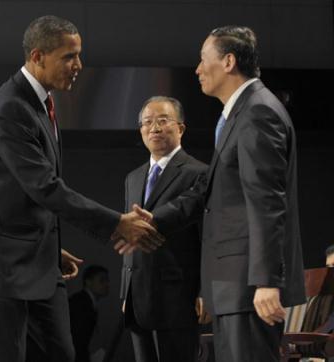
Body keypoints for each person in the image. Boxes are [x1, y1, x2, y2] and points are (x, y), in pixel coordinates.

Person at [0, 15, 162, 362]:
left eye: (78, 55)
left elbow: (27, 194)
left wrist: (48, 248)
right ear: (37, 56)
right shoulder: (9, 108)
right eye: (69, 56)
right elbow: (45, 188)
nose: (78, 65)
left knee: (63, 354)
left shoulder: (42, 103)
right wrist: (117, 223)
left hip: (37, 264)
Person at [124, 26, 306, 362]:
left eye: (202, 59)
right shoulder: (238, 114)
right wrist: (153, 221)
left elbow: (268, 201)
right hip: (232, 287)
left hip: (249, 287)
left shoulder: (257, 112)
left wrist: (267, 281)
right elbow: (207, 196)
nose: (196, 69)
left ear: (228, 61)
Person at [120, 96, 208, 362]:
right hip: (137, 299)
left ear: (180, 128)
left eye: (162, 121)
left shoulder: (199, 173)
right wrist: (126, 290)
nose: (154, 128)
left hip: (178, 298)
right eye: (147, 122)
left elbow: (207, 237)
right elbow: (130, 237)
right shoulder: (133, 178)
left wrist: (206, 292)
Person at [69, 265, 110, 362]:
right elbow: (78, 340)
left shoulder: (83, 301)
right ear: (88, 282)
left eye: (107, 280)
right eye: (102, 280)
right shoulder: (81, 304)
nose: (107, 284)